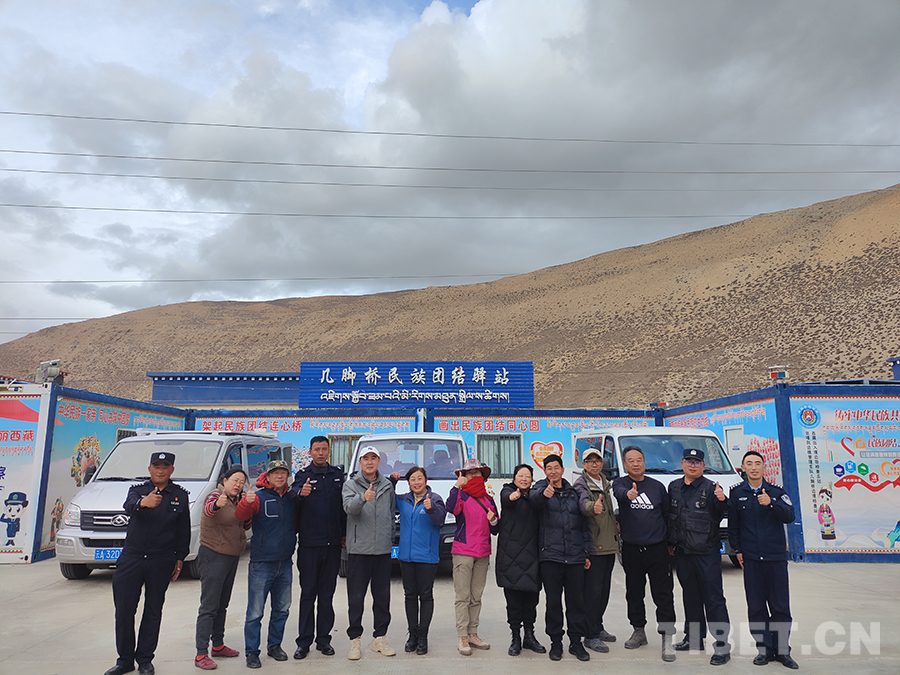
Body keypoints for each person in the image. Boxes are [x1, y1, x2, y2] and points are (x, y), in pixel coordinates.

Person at [105, 452, 190, 675]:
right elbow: (128, 506)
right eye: (156, 466)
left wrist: (180, 557)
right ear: (149, 469)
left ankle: (145, 659)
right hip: (132, 558)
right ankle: (125, 660)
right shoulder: (137, 490)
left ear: (172, 470)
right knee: (124, 611)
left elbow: (183, 530)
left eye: (165, 467)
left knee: (153, 610)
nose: (161, 470)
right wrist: (144, 503)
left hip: (161, 559)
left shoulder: (180, 495)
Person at [729, 450, 798, 669]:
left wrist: (771, 503)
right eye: (749, 463)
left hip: (775, 558)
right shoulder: (737, 493)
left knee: (780, 607)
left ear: (764, 467)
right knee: (756, 607)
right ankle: (764, 650)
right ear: (743, 468)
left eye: (757, 463)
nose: (754, 467)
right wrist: (738, 549)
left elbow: (790, 516)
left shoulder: (776, 492)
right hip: (751, 559)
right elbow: (734, 526)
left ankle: (783, 651)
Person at [612, 446, 677, 662]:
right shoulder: (621, 483)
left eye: (639, 459)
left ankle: (667, 636)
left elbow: (667, 515)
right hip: (632, 549)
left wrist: (670, 543)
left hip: (657, 548)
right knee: (634, 592)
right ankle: (638, 630)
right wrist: (628, 494)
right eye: (631, 460)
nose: (636, 463)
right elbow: (619, 493)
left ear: (644, 461)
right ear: (625, 464)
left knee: (663, 594)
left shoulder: (657, 487)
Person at [667, 448, 731, 666]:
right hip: (683, 553)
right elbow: (671, 518)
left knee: (714, 599)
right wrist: (670, 543)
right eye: (689, 461)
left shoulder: (712, 488)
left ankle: (722, 645)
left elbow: (720, 511)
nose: (692, 465)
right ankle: (693, 639)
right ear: (682, 463)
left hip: (707, 554)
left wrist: (722, 500)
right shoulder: (674, 487)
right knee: (690, 597)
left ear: (703, 466)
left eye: (697, 462)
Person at [235, 459, 298, 669]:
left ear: (287, 476)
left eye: (283, 473)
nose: (279, 476)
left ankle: (275, 646)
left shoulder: (291, 498)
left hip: (285, 563)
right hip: (262, 564)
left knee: (282, 609)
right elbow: (241, 516)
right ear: (268, 477)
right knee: (255, 612)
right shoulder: (258, 497)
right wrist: (246, 502)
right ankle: (252, 652)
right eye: (275, 473)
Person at [530, 454, 592, 662]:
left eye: (556, 467)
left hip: (575, 557)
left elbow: (584, 526)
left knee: (576, 602)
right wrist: (544, 495)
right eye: (549, 468)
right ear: (544, 471)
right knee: (553, 603)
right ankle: (555, 642)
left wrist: (586, 552)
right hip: (551, 557)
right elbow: (534, 500)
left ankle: (576, 642)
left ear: (563, 470)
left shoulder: (573, 493)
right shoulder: (540, 489)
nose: (553, 471)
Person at [290, 436, 346, 660]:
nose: (321, 453)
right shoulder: (302, 476)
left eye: (324, 449)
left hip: (333, 545)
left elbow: (342, 509)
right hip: (309, 545)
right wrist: (300, 494)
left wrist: (343, 534)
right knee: (307, 594)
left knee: (326, 595)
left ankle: (323, 639)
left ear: (329, 451)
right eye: (317, 449)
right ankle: (303, 642)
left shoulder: (338, 475)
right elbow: (292, 496)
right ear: (310, 452)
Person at [342, 445, 397, 660]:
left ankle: (380, 638)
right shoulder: (350, 484)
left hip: (382, 550)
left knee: (382, 598)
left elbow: (391, 514)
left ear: (379, 461)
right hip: (359, 550)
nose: (370, 462)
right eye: (366, 458)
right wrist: (363, 497)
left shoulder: (387, 485)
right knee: (356, 598)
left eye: (374, 458)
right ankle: (355, 641)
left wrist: (389, 539)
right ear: (360, 462)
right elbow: (349, 508)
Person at [194, 466, 251, 670]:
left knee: (222, 604)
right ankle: (201, 653)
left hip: (231, 556)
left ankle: (217, 645)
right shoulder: (215, 495)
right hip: (214, 555)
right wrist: (218, 504)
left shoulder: (238, 499)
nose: (238, 484)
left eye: (242, 482)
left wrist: (248, 506)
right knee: (209, 606)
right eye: (235, 480)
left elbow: (245, 525)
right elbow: (210, 509)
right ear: (224, 481)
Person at [446, 458, 499, 656]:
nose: (474, 476)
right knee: (463, 597)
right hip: (463, 551)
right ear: (464, 476)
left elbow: (496, 528)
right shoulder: (461, 495)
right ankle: (462, 636)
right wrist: (456, 487)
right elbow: (450, 508)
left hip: (483, 552)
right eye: (470, 473)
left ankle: (473, 633)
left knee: (476, 597)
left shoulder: (489, 499)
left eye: (477, 473)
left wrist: (493, 521)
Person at [495, 463, 547, 656]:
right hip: (510, 556)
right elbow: (506, 499)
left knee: (531, 601)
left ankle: (529, 636)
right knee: (514, 602)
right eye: (520, 475)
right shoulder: (507, 491)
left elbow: (542, 502)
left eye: (527, 476)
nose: (524, 479)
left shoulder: (535, 496)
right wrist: (513, 497)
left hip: (532, 556)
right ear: (514, 477)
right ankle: (515, 638)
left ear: (532, 479)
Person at [395, 466, 447, 655]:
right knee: (410, 596)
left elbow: (440, 520)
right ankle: (413, 635)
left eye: (419, 478)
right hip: (406, 557)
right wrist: (392, 481)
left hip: (427, 557)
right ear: (408, 482)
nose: (416, 482)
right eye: (413, 479)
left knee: (425, 595)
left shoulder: (435, 499)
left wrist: (431, 509)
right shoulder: (403, 500)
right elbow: (386, 498)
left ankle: (423, 637)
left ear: (425, 480)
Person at [573, 447, 619, 654]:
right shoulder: (581, 484)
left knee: (604, 591)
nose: (594, 464)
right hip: (594, 546)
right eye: (589, 461)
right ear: (583, 465)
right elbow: (583, 504)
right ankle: (590, 635)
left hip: (609, 545)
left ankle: (598, 626)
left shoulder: (605, 482)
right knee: (592, 593)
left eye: (597, 460)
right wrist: (592, 507)